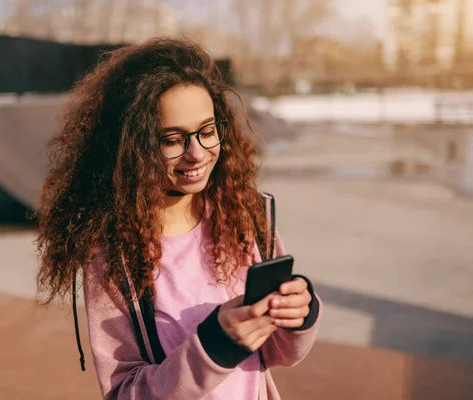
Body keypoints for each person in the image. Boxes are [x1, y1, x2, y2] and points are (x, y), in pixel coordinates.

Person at [35, 37, 321, 400]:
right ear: (132, 147)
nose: (198, 153)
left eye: (207, 130)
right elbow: (125, 393)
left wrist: (301, 314)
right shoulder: (115, 255)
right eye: (173, 139)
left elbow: (280, 352)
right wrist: (215, 347)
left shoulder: (246, 215)